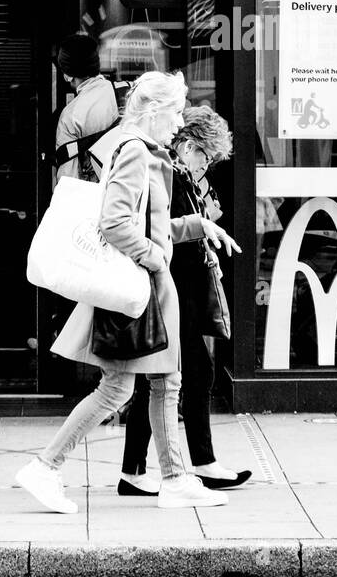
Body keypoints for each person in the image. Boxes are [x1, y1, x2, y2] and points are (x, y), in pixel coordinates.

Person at [16, 70, 230, 512]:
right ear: (152, 111)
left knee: (164, 382)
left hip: (147, 285)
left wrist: (196, 225)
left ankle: (173, 478)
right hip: (141, 285)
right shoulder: (136, 151)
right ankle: (46, 466)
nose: (177, 123)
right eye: (173, 112)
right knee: (120, 389)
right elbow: (115, 223)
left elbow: (143, 222)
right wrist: (155, 257)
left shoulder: (138, 147)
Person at [119, 105, 247, 495]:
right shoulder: (166, 171)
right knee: (179, 375)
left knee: (165, 377)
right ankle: (188, 466)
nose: (206, 166)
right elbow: (157, 229)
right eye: (205, 157)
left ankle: (138, 470)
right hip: (174, 288)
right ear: (188, 144)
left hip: (181, 286)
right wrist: (201, 226)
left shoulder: (181, 175)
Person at [53, 34, 119, 183]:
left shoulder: (70, 117)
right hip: (137, 198)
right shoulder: (128, 94)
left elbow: (69, 182)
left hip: (101, 200)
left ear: (67, 76)